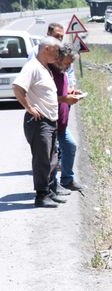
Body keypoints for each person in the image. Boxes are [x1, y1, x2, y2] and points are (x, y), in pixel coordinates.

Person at [12, 36, 65, 208]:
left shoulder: (44, 68)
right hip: (39, 121)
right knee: (42, 159)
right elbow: (17, 87)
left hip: (50, 121)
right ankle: (41, 196)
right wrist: (29, 107)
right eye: (56, 51)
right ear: (47, 49)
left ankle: (49, 191)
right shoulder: (32, 66)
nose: (58, 55)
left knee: (52, 158)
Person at [48, 43, 85, 193]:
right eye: (68, 62)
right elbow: (46, 97)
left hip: (61, 124)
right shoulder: (49, 73)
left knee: (70, 146)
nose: (69, 65)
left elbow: (62, 90)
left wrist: (72, 91)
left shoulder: (62, 72)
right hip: (50, 123)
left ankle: (67, 180)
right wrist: (65, 99)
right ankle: (52, 187)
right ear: (59, 59)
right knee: (52, 157)